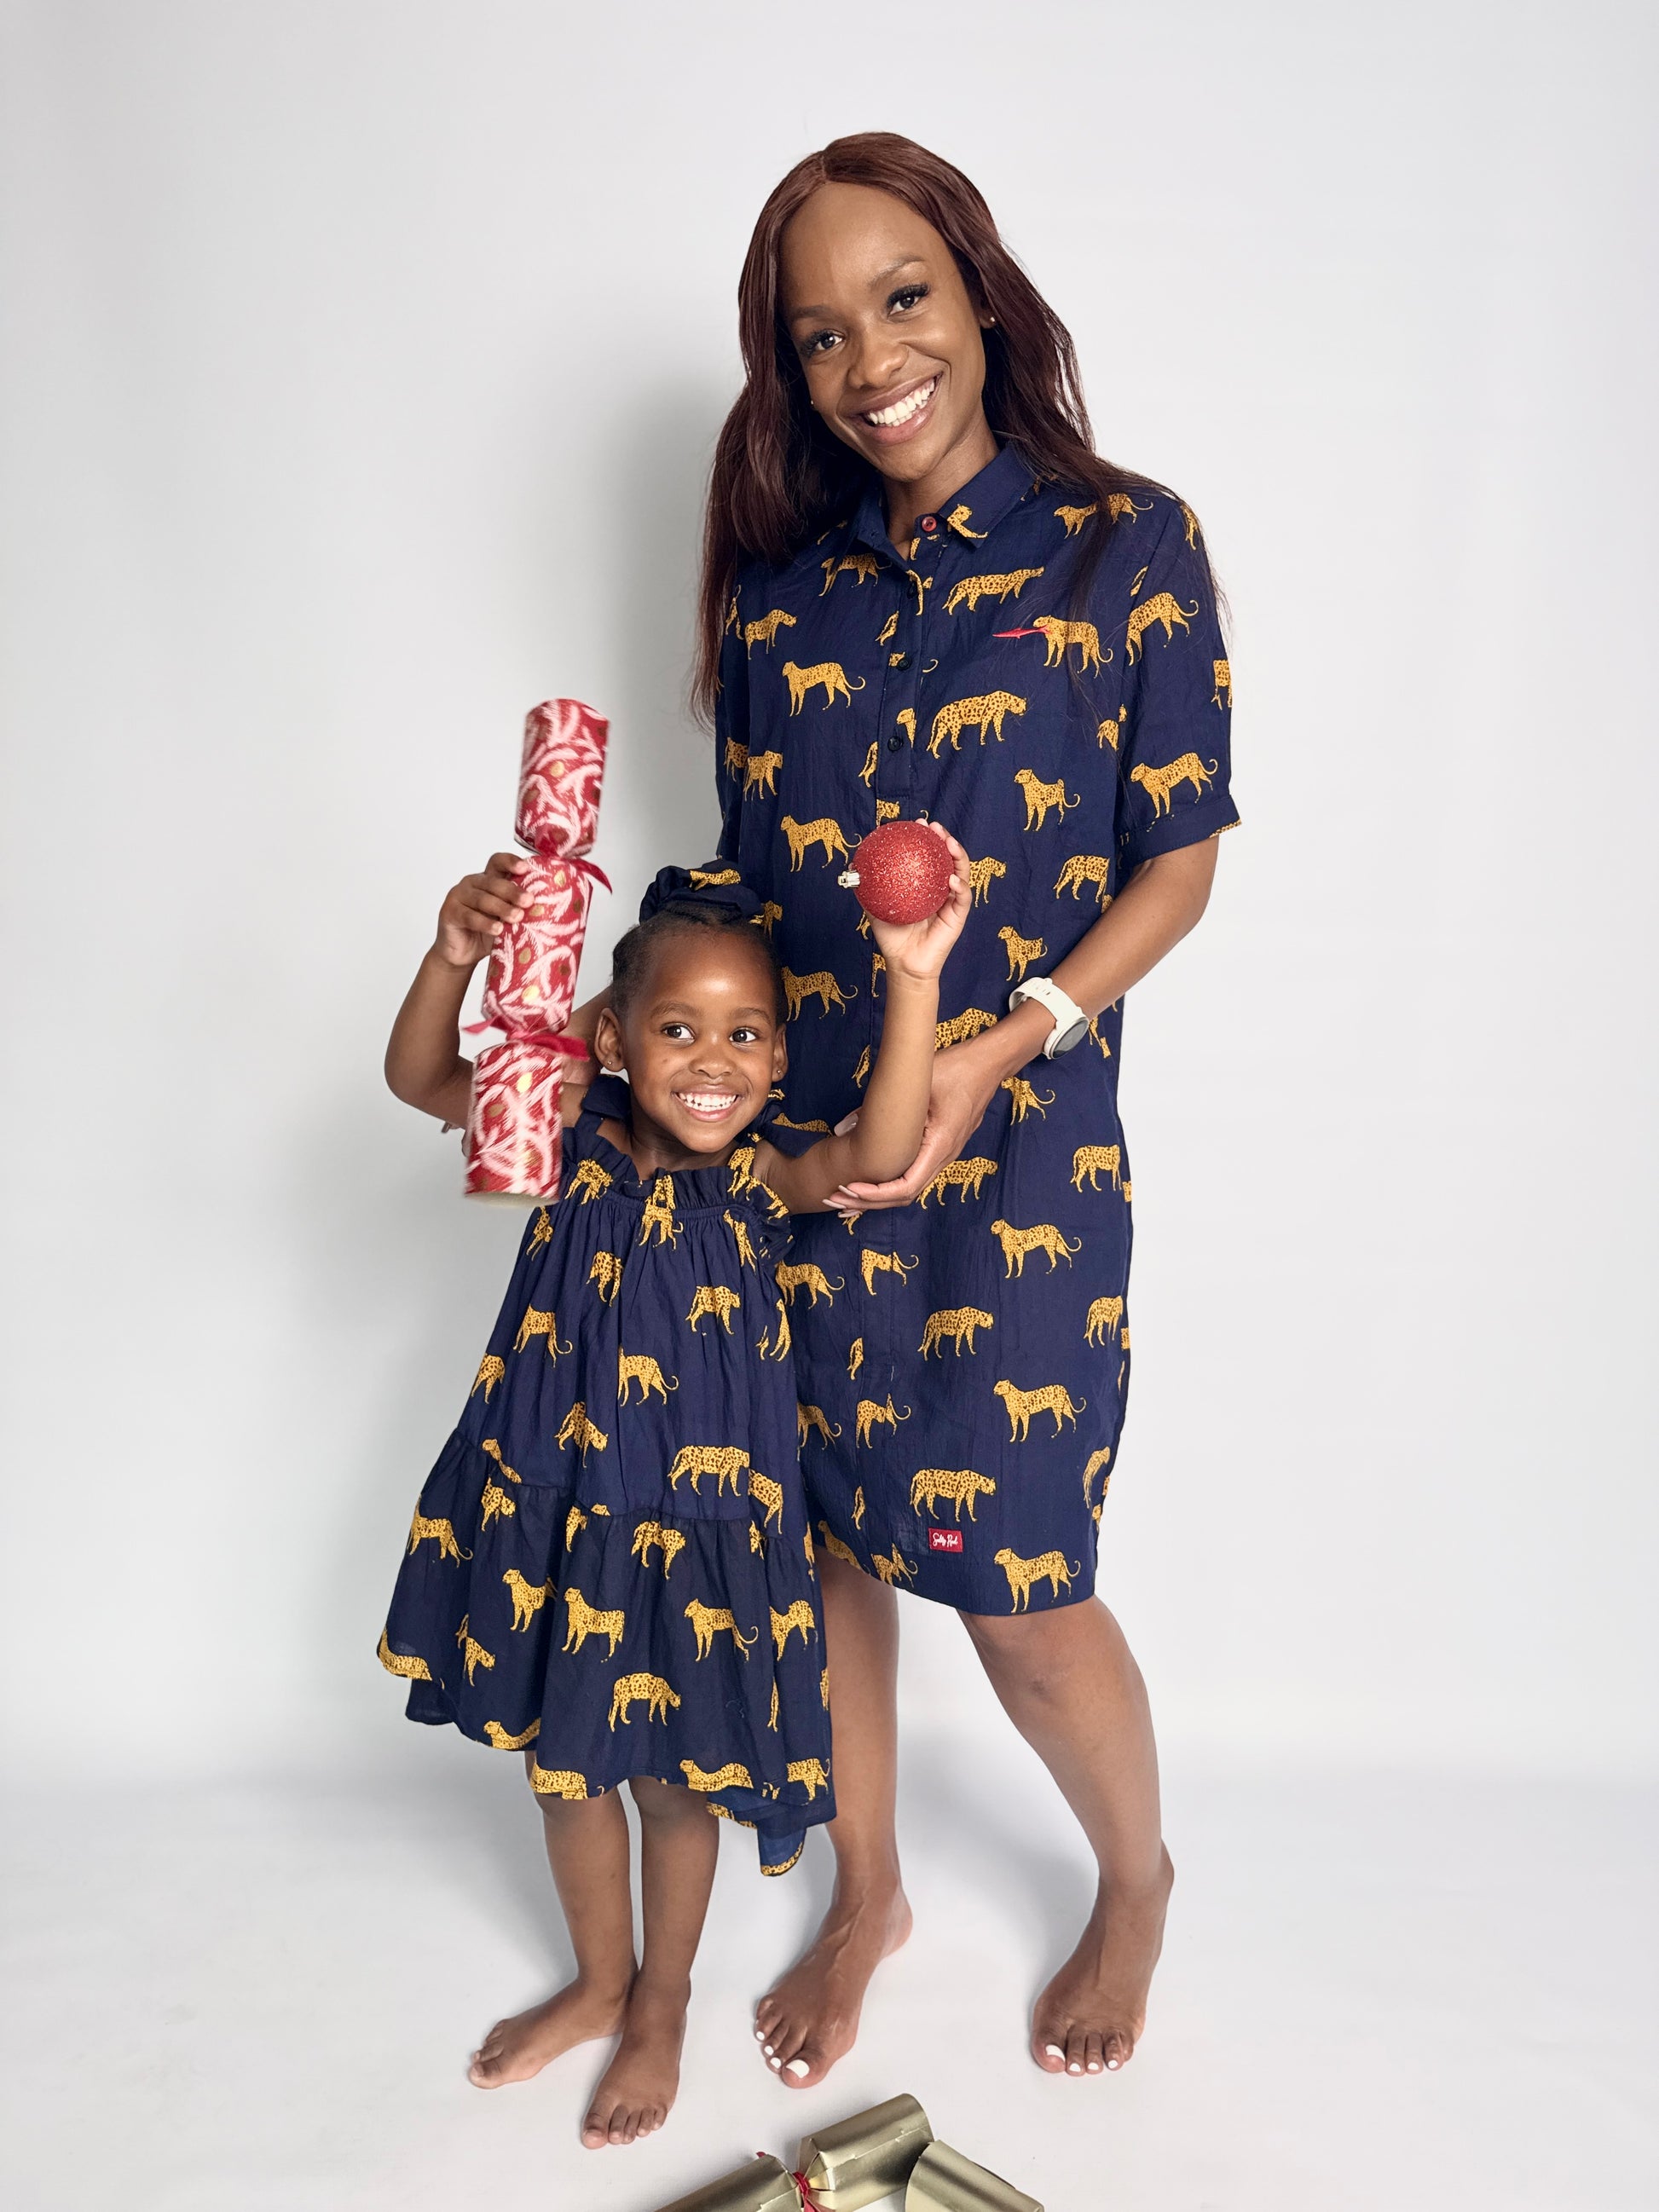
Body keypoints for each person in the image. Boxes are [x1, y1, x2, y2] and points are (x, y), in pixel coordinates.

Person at [573, 132, 1241, 2087]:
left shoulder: (1126, 547)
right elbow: (749, 895)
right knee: (823, 1554)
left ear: (976, 293)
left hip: (1022, 1148)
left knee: (1023, 1597)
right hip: (801, 1167)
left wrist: (1001, 1040)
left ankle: (1135, 1877)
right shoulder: (779, 605)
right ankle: (869, 1890)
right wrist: (615, 1019)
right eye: (818, 333)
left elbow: (1177, 863)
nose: (870, 360)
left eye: (901, 299)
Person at [377, 837, 969, 2146]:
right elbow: (420, 1078)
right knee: (563, 1769)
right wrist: (451, 957)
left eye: (745, 1034)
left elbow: (881, 1146)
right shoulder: (563, 1133)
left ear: (778, 1057)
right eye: (679, 1028)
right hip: (556, 1508)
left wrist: (914, 978)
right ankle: (598, 1980)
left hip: (697, 1533)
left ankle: (661, 2000)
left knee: (673, 1785)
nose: (714, 1060)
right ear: (612, 1038)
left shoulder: (759, 1179)